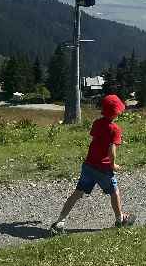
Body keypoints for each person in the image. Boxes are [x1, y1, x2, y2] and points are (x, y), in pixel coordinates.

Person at [50, 94, 136, 233]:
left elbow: (96, 138)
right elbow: (112, 151)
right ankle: (120, 220)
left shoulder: (97, 123)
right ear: (116, 112)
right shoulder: (115, 129)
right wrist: (113, 165)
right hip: (103, 169)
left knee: (77, 193)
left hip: (89, 166)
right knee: (114, 192)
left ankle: (60, 222)